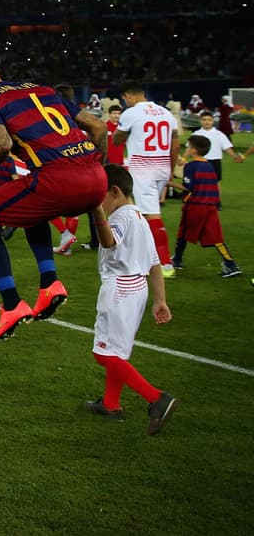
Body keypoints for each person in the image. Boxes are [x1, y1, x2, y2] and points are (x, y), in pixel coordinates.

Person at [0, 61, 107, 340]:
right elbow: (98, 126)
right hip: (96, 177)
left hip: (57, 180)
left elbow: (1, 143)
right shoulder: (45, 89)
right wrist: (97, 170)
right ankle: (49, 282)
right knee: (29, 207)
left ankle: (11, 303)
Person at [85, 165, 177, 435]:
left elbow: (109, 242)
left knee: (103, 352)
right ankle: (111, 404)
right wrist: (160, 300)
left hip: (119, 289)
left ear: (114, 191)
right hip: (138, 288)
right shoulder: (139, 216)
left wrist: (96, 211)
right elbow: (155, 263)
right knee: (118, 351)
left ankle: (157, 399)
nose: (98, 202)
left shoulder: (120, 217)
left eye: (99, 195)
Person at [116, 83, 179, 278]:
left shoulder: (131, 113)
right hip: (162, 167)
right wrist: (171, 170)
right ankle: (142, 256)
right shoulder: (166, 113)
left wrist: (122, 133)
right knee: (141, 214)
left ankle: (165, 264)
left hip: (144, 169)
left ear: (128, 95)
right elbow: (175, 143)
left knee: (151, 216)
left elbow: (117, 140)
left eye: (124, 98)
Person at [170, 134, 241, 277]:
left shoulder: (190, 166)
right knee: (216, 237)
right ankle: (231, 264)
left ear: (194, 150)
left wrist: (170, 183)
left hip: (195, 205)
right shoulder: (209, 165)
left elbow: (188, 187)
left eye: (189, 147)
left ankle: (177, 260)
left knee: (183, 232)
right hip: (211, 206)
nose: (187, 149)